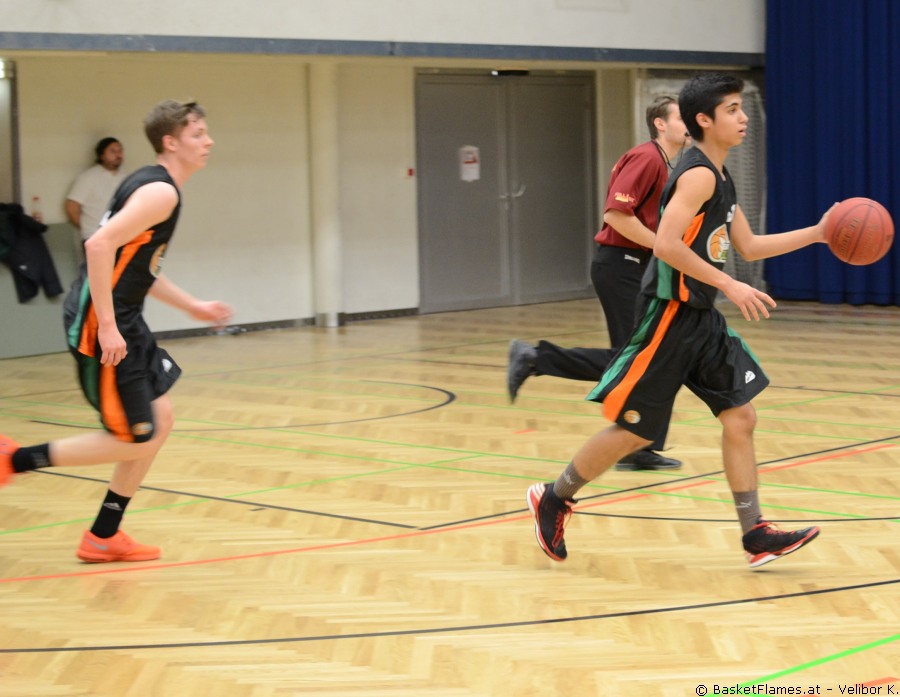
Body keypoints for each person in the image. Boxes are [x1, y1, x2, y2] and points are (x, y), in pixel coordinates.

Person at [526, 73, 828, 569]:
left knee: (741, 417)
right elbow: (666, 245)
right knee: (636, 432)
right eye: (732, 109)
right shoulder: (698, 175)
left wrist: (818, 232)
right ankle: (554, 497)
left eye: (741, 108)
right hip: (669, 315)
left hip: (701, 317)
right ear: (703, 120)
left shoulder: (721, 174)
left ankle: (755, 532)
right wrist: (731, 285)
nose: (743, 117)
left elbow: (750, 246)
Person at [0, 99, 232, 563]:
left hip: (123, 316)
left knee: (160, 421)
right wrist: (107, 327)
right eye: (197, 134)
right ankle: (15, 460)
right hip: (102, 320)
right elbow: (98, 245)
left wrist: (192, 306)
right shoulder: (160, 193)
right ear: (171, 142)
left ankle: (104, 535)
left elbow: (137, 266)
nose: (208, 141)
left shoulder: (151, 183)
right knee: (134, 436)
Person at [507, 95, 689, 471]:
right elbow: (616, 215)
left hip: (640, 266)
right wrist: (663, 246)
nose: (689, 124)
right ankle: (535, 358)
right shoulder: (646, 158)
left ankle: (637, 445)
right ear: (660, 124)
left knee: (649, 358)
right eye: (681, 117)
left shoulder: (666, 163)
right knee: (636, 359)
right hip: (622, 266)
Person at [65, 136, 126, 250]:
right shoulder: (88, 177)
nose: (118, 155)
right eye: (112, 151)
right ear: (101, 155)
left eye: (120, 151)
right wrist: (86, 228)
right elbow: (72, 206)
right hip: (94, 237)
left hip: (120, 238)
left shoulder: (125, 178)